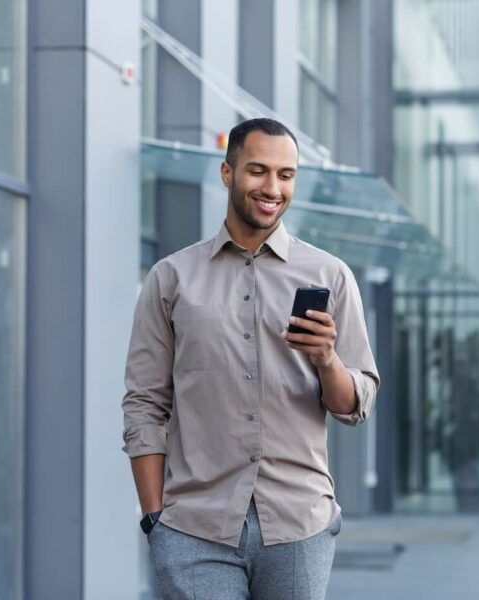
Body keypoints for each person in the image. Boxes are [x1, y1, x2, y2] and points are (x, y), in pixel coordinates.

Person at [121, 117, 380, 600]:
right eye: (258, 171)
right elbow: (144, 404)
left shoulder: (331, 274)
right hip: (195, 529)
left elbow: (355, 406)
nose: (272, 188)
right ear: (227, 173)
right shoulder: (171, 278)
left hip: (299, 526)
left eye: (286, 175)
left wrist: (326, 358)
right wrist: (155, 517)